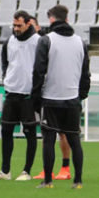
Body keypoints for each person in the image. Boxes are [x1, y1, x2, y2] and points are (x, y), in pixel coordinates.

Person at [32, 5, 90, 189]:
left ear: (51, 19)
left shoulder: (46, 40)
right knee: (74, 140)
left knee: (49, 139)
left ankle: (48, 180)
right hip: (72, 98)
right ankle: (78, 180)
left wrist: (35, 98)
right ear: (67, 18)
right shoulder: (80, 42)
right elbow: (85, 73)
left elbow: (38, 72)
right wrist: (81, 95)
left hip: (50, 97)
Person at [0, 10, 40, 181]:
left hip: (28, 95)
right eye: (14, 25)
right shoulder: (9, 41)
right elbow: (5, 62)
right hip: (11, 93)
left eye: (19, 25)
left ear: (28, 24)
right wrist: (6, 78)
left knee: (30, 132)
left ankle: (26, 171)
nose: (16, 28)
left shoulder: (38, 41)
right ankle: (5, 171)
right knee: (6, 131)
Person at [29, 16, 73, 181]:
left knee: (63, 133)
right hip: (46, 94)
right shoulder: (42, 43)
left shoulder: (50, 42)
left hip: (61, 94)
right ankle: (47, 169)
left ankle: (65, 167)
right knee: (47, 135)